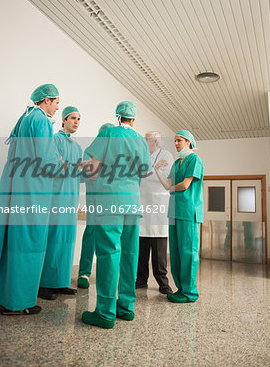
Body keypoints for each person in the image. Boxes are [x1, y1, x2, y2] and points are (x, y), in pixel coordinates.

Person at [0, 84, 60, 315]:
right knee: (31, 244)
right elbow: (47, 160)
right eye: (57, 102)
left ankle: (9, 298)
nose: (58, 107)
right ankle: (19, 304)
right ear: (46, 100)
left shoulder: (24, 119)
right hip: (33, 192)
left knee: (15, 242)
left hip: (17, 190)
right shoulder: (42, 121)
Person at [81, 101, 151, 328]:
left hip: (109, 202)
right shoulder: (141, 141)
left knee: (109, 254)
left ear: (117, 116)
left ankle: (105, 313)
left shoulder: (108, 134)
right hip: (132, 203)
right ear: (133, 119)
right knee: (130, 254)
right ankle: (126, 307)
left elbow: (92, 172)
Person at [38, 106, 82, 300]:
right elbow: (51, 167)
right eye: (73, 118)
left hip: (71, 200)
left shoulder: (77, 147)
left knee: (66, 241)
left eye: (79, 119)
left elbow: (78, 174)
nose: (76, 122)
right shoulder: (54, 140)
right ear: (63, 120)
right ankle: (45, 284)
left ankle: (61, 282)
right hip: (56, 198)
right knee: (53, 240)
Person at [154, 130, 203, 303]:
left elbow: (184, 185)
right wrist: (156, 170)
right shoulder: (176, 163)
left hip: (189, 211)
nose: (176, 144)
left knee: (188, 251)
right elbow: (168, 183)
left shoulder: (194, 160)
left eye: (179, 140)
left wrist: (170, 188)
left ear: (188, 142)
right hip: (174, 211)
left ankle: (190, 292)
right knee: (175, 252)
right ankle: (180, 289)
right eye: (175, 141)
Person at [77, 123, 115, 290]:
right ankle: (84, 272)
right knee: (91, 232)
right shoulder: (91, 150)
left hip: (112, 199)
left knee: (111, 237)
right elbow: (87, 175)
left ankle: (107, 273)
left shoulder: (116, 152)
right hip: (94, 198)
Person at [136, 131, 173, 294]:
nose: (144, 141)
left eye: (147, 139)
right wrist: (154, 169)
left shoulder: (166, 155)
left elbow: (164, 178)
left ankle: (163, 283)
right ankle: (141, 280)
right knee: (141, 247)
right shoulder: (141, 155)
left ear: (155, 141)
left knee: (159, 249)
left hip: (159, 206)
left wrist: (151, 171)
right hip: (143, 205)